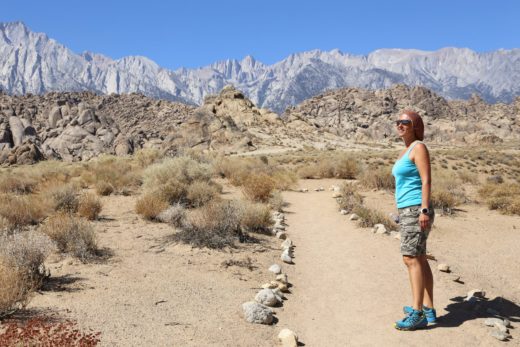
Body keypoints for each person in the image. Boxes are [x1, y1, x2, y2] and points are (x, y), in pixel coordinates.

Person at [391, 110, 436, 331]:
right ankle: (428, 309)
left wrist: (424, 210)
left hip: (416, 209)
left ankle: (417, 312)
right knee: (420, 258)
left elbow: (426, 180)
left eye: (405, 122)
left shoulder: (418, 147)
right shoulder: (405, 150)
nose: (400, 125)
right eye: (398, 121)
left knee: (411, 259)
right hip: (408, 210)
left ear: (415, 126)